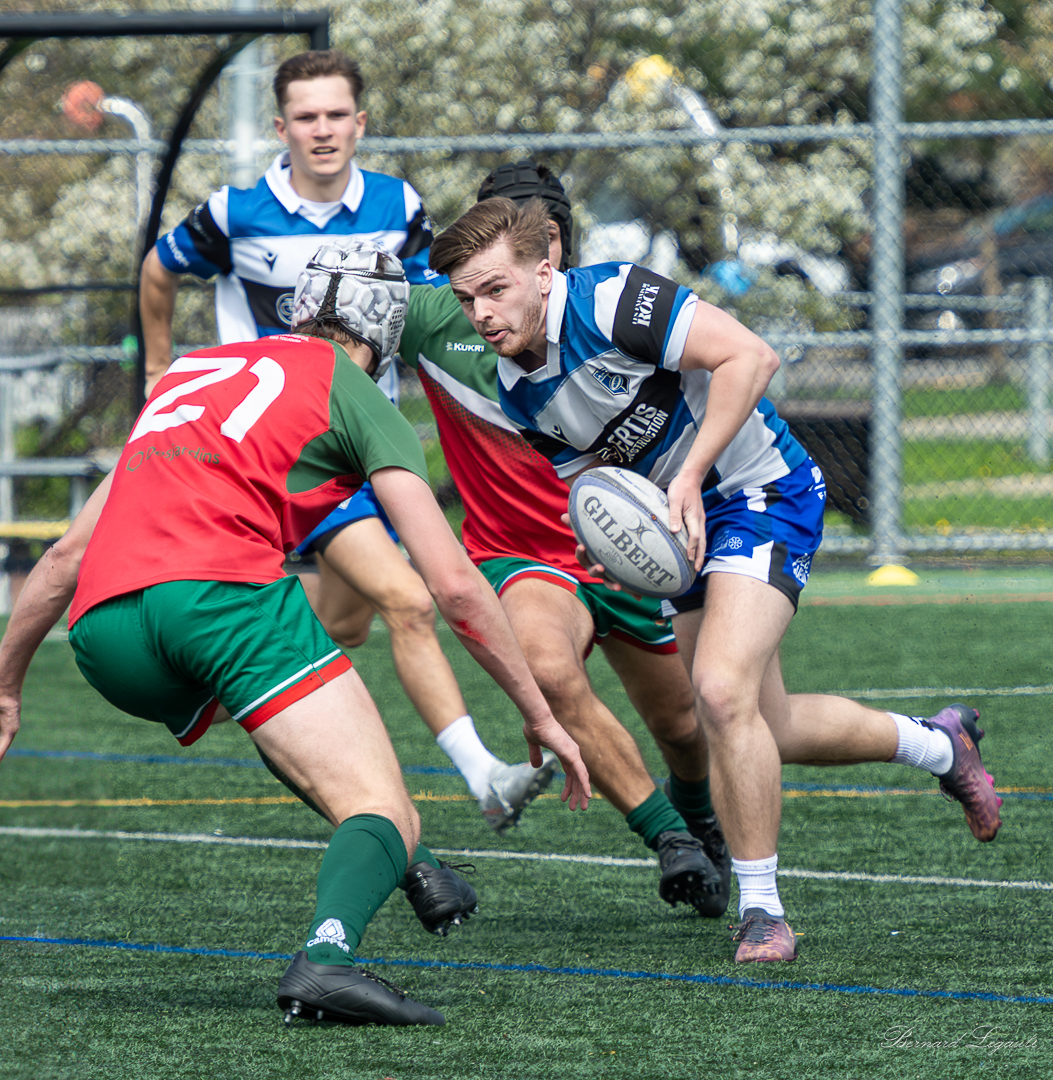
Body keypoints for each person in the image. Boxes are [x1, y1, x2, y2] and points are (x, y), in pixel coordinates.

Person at [0, 243, 590, 1026]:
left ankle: (413, 864)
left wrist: (6, 687)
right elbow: (451, 583)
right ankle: (329, 956)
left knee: (298, 731)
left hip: (105, 636)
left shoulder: (192, 372)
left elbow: (64, 560)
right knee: (384, 806)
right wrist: (539, 714)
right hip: (218, 599)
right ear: (382, 332)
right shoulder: (356, 391)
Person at [426, 196, 1003, 963]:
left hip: (761, 491)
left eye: (495, 289)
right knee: (767, 723)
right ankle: (940, 744)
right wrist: (608, 537)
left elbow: (751, 357)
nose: (482, 313)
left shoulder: (612, 298)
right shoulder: (516, 388)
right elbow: (598, 477)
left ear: (543, 269)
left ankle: (763, 912)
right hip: (685, 526)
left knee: (724, 694)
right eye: (467, 299)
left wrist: (691, 474)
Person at [140, 48, 555, 832]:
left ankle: (202, 661)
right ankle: (485, 775)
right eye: (306, 116)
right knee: (407, 598)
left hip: (364, 443)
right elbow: (157, 271)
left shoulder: (399, 206)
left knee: (345, 623)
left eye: (336, 115)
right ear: (281, 126)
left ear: (360, 123)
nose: (322, 130)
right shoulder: (236, 212)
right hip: (293, 451)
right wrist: (162, 369)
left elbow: (435, 307)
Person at [317, 161, 728, 917]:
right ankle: (669, 836)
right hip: (522, 556)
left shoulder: (604, 311)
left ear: (552, 248)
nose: (482, 300)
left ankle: (696, 811)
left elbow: (717, 368)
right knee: (548, 668)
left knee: (681, 724)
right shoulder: (440, 312)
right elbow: (343, 316)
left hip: (627, 550)